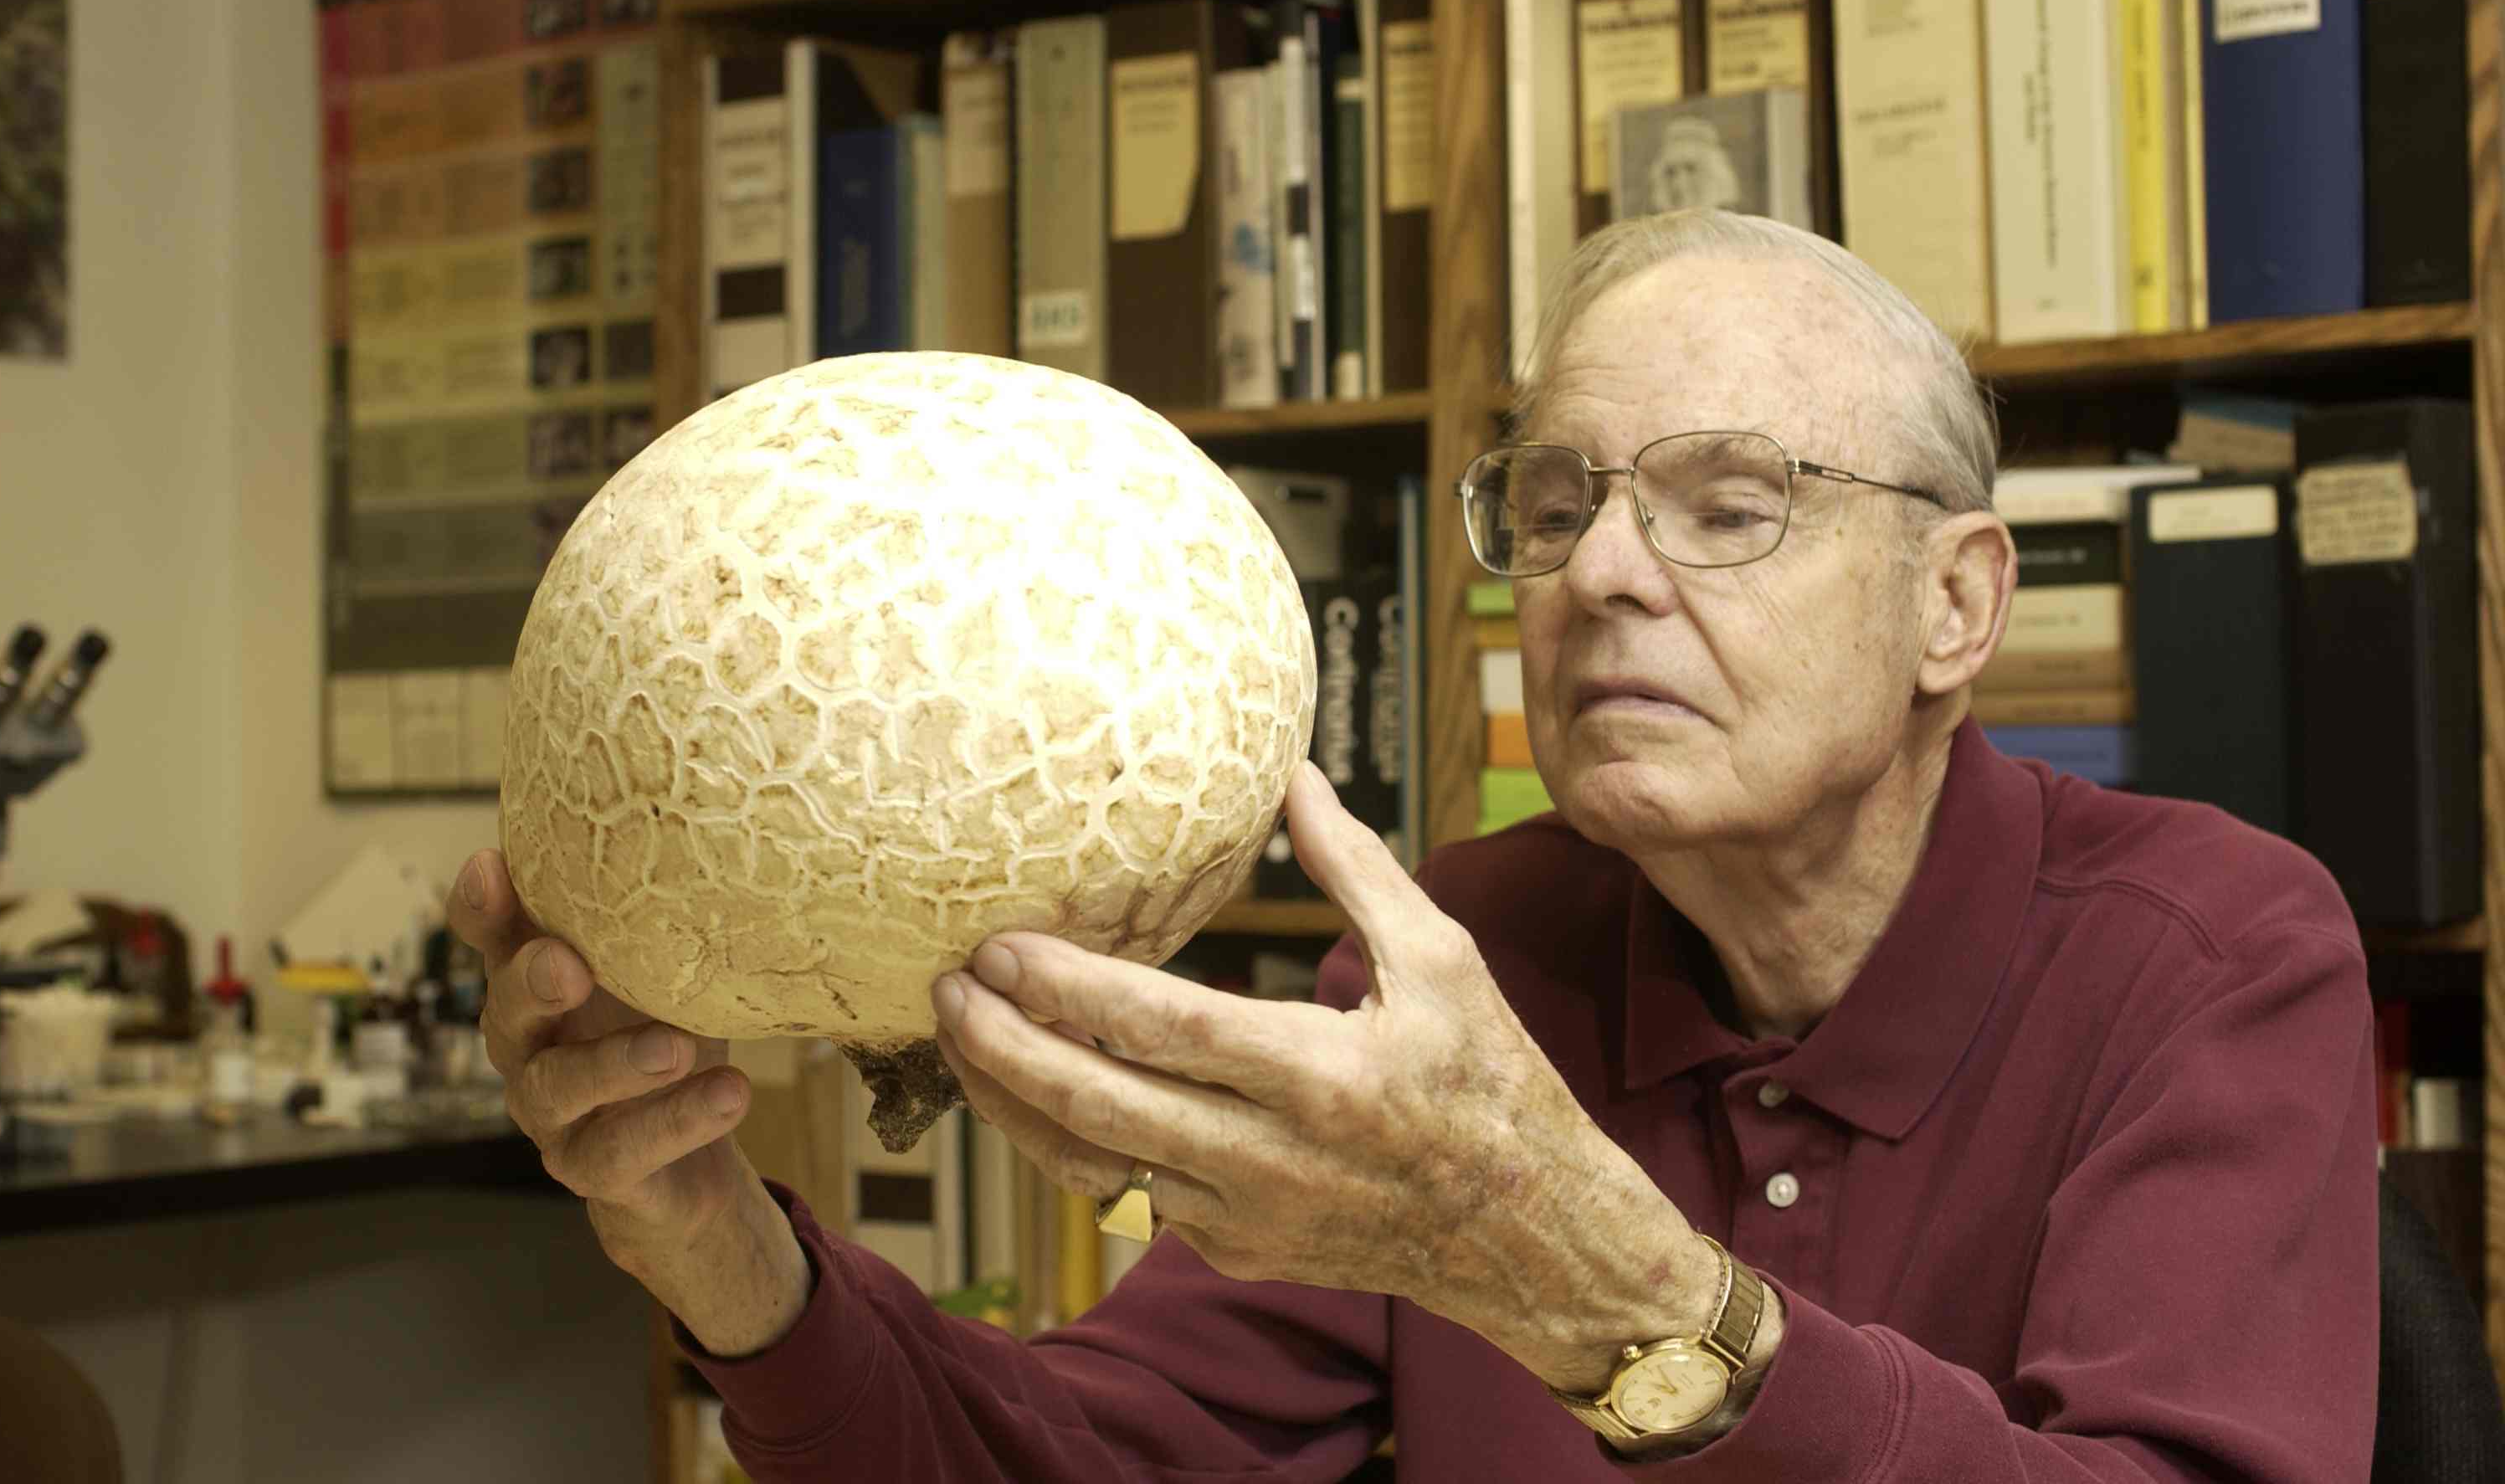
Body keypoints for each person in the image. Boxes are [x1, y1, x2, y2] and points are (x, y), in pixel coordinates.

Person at [451, 208, 2377, 1480]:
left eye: (1727, 505)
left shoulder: (2214, 948)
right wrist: (722, 1258)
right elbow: (1095, 1457)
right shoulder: (1465, 947)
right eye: (1552, 505)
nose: (1601, 570)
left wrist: (1585, 1272)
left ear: (1956, 605)